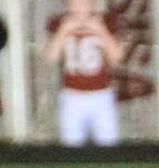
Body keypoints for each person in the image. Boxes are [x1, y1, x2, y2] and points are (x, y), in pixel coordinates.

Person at [44, 0, 125, 147]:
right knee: (71, 148)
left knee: (109, 148)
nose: (79, 8)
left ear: (92, 4)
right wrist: (64, 31)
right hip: (72, 96)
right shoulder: (59, 22)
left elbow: (117, 57)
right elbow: (51, 57)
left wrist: (100, 31)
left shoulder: (106, 21)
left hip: (101, 95)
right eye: (74, 4)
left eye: (83, 3)